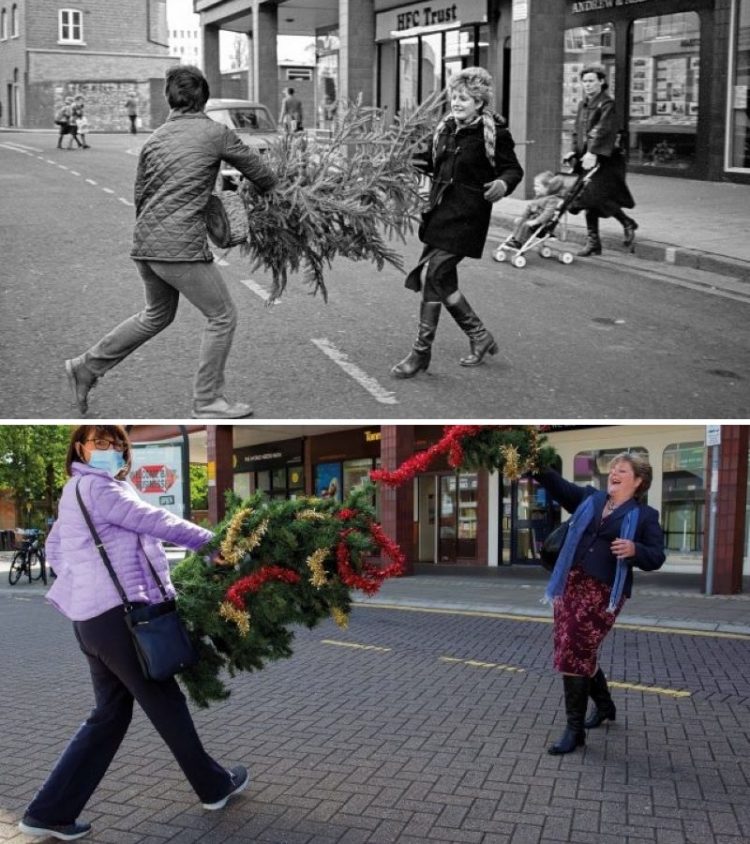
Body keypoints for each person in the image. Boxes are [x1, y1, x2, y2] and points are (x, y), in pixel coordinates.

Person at [18, 425, 248, 842]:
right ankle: (214, 786)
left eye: (117, 444)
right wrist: (214, 543)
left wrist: (83, 585)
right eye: (99, 443)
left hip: (92, 621)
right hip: (121, 620)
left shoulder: (73, 490)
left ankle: (49, 812)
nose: (110, 450)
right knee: (167, 705)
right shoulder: (102, 490)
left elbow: (54, 549)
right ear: (81, 448)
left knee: (109, 715)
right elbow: (154, 520)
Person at [64, 65, 278, 419]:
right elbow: (263, 176)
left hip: (145, 244)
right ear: (203, 98)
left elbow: (139, 194)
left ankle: (86, 366)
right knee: (222, 316)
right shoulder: (216, 133)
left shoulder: (155, 138)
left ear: (169, 98)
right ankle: (207, 399)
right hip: (179, 248)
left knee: (156, 315)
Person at [391, 67, 523, 379]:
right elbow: (429, 161)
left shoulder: (495, 134)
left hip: (468, 217)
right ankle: (480, 336)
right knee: (444, 281)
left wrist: (502, 185)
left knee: (434, 272)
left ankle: (420, 353)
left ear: (479, 102)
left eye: (464, 98)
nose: (456, 102)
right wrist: (396, 162)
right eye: (454, 96)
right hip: (439, 214)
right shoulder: (445, 129)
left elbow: (513, 170)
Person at [534, 452, 665, 756]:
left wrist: (635, 549)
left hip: (604, 593)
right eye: (613, 469)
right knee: (578, 650)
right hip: (571, 585)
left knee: (574, 650)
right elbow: (559, 485)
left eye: (622, 470)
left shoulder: (645, 516)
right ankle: (604, 706)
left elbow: (656, 556)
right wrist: (533, 464)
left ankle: (574, 730)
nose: (614, 474)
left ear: (639, 481)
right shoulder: (590, 499)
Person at [566, 64, 637, 256]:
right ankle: (595, 242)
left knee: (592, 197)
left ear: (601, 82)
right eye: (585, 81)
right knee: (592, 199)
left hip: (606, 160)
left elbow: (603, 129)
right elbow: (578, 131)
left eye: (591, 81)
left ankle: (621, 226)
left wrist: (593, 152)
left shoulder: (607, 103)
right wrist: (574, 151)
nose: (587, 85)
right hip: (588, 159)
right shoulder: (584, 104)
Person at [505, 170, 566, 249]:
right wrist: (522, 217)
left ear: (547, 187)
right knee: (520, 222)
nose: (534, 188)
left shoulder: (552, 200)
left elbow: (547, 213)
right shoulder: (538, 197)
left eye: (537, 186)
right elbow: (529, 208)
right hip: (532, 219)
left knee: (525, 225)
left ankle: (519, 242)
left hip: (540, 223)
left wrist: (536, 221)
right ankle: (514, 239)